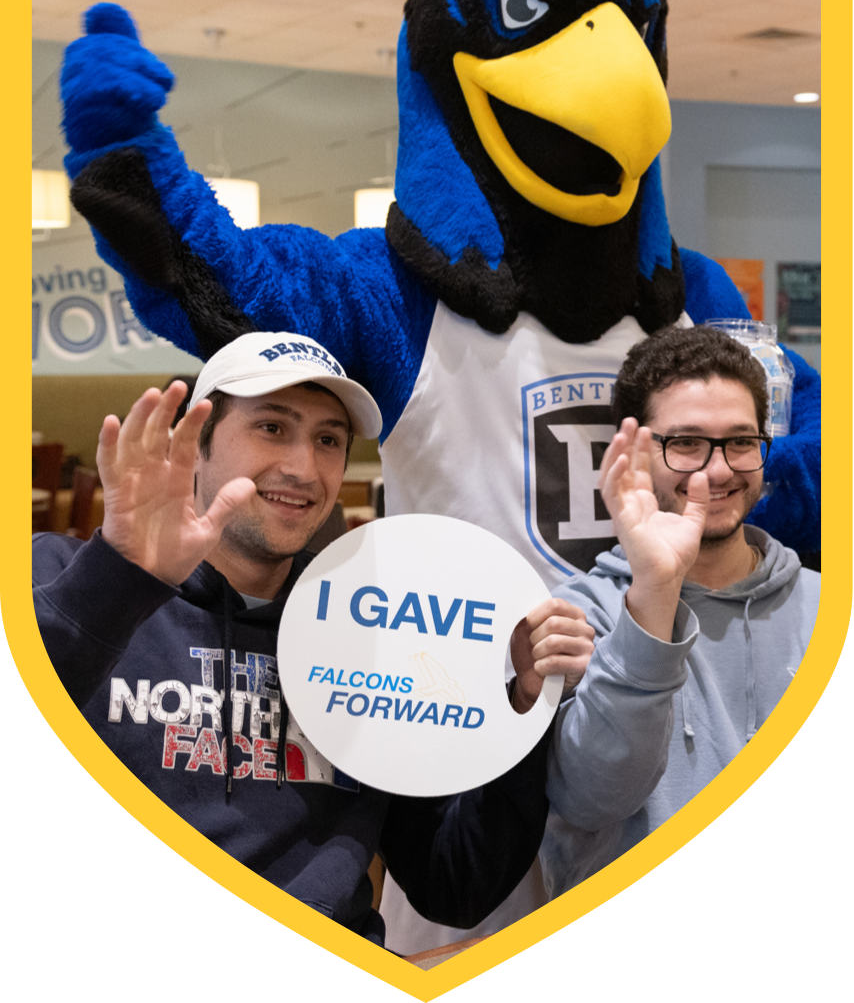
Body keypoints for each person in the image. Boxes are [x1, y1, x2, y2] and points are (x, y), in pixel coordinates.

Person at [33, 330, 594, 944]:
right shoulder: (63, 577)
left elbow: (454, 883)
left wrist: (520, 705)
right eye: (272, 427)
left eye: (328, 439)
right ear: (196, 443)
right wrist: (121, 578)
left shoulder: (375, 628)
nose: (302, 468)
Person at [539, 325, 820, 896]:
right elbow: (591, 798)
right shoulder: (575, 617)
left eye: (741, 441)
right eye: (687, 443)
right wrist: (656, 589)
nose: (718, 471)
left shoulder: (820, 608)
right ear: (636, 452)